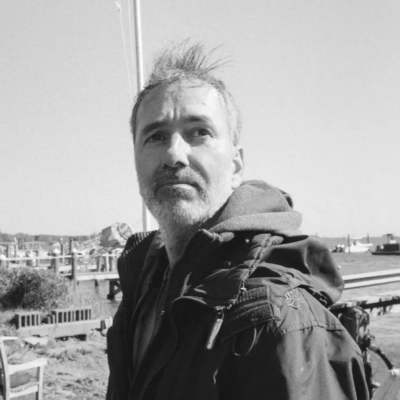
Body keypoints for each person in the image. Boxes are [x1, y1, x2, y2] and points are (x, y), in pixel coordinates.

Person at [106, 42, 369, 400]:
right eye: (155, 136)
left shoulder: (278, 321)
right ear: (135, 160)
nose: (174, 155)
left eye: (199, 132)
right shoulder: (143, 284)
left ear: (236, 166)